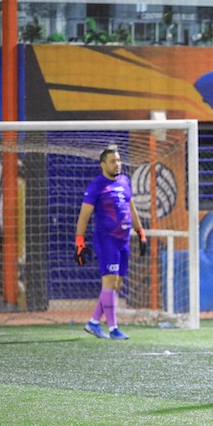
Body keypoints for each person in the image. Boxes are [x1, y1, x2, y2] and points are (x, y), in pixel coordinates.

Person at [75, 145, 148, 340]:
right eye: (113, 161)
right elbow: (84, 216)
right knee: (109, 281)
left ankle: (94, 322)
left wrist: (140, 231)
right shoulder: (96, 186)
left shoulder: (124, 181)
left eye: (119, 160)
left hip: (124, 241)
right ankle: (114, 328)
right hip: (106, 239)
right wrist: (79, 241)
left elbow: (131, 208)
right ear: (103, 165)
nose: (117, 164)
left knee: (117, 284)